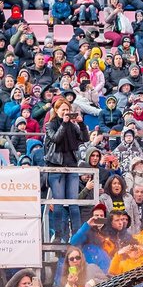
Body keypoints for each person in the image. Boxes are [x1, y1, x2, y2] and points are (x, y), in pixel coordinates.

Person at [44, 100, 88, 242]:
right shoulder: (50, 125)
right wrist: (64, 123)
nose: (65, 112)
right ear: (56, 111)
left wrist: (81, 124)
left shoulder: (73, 126)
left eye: (67, 110)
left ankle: (76, 236)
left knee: (73, 204)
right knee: (58, 204)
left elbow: (85, 138)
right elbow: (56, 138)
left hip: (72, 166)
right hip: (56, 167)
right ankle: (58, 235)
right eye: (62, 110)